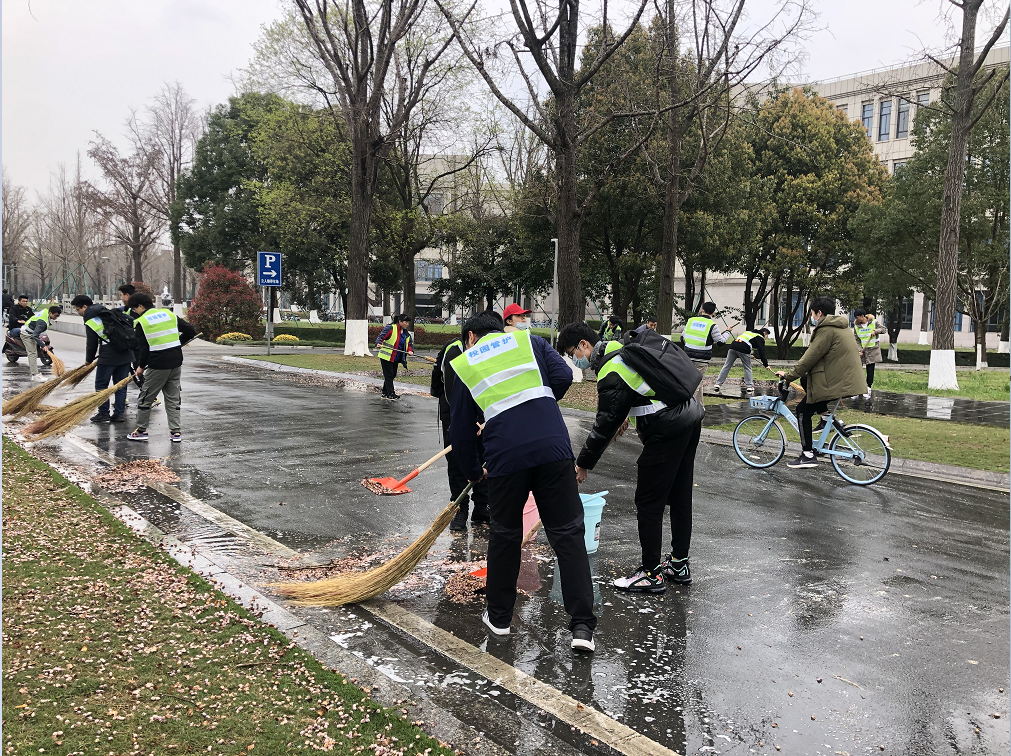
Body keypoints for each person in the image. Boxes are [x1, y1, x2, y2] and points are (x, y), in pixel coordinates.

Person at [449, 311, 597, 651]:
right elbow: (563, 374)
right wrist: (536, 404)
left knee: (505, 534)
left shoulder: (465, 362)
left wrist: (474, 472)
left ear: (470, 337)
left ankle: (499, 618)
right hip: (553, 448)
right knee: (567, 533)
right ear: (500, 329)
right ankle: (582, 627)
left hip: (505, 456)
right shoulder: (528, 340)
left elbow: (460, 430)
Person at [558, 323, 705, 594]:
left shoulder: (612, 369)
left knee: (649, 502)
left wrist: (583, 465)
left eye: (572, 352)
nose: (575, 360)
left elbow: (603, 425)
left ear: (583, 345)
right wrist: (625, 413)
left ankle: (651, 573)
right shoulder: (621, 349)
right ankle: (679, 564)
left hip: (669, 426)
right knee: (681, 494)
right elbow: (642, 388)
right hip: (690, 414)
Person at [776, 297, 866, 469]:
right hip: (843, 379)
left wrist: (787, 376)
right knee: (806, 381)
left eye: (812, 314)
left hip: (835, 382)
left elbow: (809, 358)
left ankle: (808, 455)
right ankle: (827, 419)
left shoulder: (826, 330)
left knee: (802, 410)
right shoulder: (841, 327)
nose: (812, 317)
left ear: (819, 313)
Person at [431, 334, 490, 531]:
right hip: (453, 414)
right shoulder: (453, 352)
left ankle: (482, 506)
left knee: (484, 459)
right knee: (458, 461)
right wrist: (467, 422)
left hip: (481, 415)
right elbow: (448, 391)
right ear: (471, 337)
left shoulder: (488, 352)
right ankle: (459, 508)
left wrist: (482, 420)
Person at [125, 293, 197, 443]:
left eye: (134, 308)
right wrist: (178, 343)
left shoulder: (141, 322)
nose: (134, 312)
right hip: (176, 362)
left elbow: (144, 350)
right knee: (173, 399)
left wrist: (141, 367)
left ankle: (141, 431)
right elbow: (190, 330)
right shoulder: (168, 314)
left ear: (141, 306)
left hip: (157, 365)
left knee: (145, 398)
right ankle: (176, 432)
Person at [71, 295, 133, 424]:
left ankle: (104, 413)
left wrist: (88, 360)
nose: (79, 313)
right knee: (120, 386)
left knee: (101, 385)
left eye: (78, 310)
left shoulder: (91, 321)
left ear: (85, 307)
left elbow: (91, 344)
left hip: (108, 357)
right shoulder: (110, 313)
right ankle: (119, 414)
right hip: (126, 354)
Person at [713, 327, 771, 396]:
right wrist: (766, 364)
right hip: (744, 349)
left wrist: (749, 355)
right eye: (767, 335)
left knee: (727, 366)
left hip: (733, 346)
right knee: (747, 367)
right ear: (764, 333)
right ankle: (749, 386)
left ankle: (718, 384)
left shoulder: (748, 332)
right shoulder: (760, 337)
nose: (766, 338)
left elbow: (745, 342)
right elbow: (762, 352)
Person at [374, 313, 414, 399]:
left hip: (396, 357)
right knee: (389, 375)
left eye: (408, 323)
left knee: (392, 374)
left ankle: (385, 393)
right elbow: (381, 337)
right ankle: (391, 394)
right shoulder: (391, 328)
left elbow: (409, 343)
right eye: (405, 322)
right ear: (400, 321)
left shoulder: (406, 333)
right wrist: (378, 344)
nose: (407, 324)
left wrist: (410, 350)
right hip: (386, 356)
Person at [19, 305, 61, 382]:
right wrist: (43, 345)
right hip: (27, 334)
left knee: (34, 352)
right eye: (55, 316)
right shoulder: (42, 322)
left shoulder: (45, 312)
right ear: (50, 313)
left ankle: (35, 374)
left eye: (58, 316)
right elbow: (35, 335)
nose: (56, 318)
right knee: (32, 353)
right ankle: (35, 375)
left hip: (31, 331)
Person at [853, 308, 886, 401]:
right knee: (858, 369)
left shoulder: (874, 322)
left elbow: (884, 329)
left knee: (870, 369)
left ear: (862, 316)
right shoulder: (856, 326)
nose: (856, 319)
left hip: (872, 351)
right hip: (862, 351)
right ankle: (857, 389)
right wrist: (859, 350)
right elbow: (856, 339)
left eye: (857, 317)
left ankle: (868, 388)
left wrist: (875, 331)